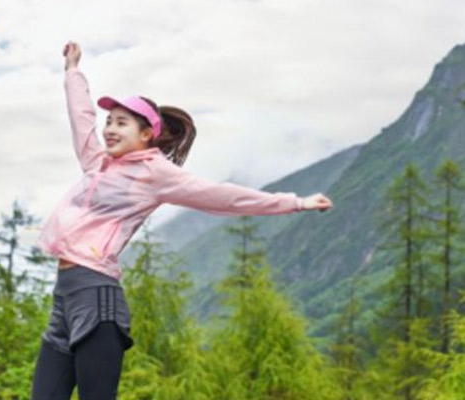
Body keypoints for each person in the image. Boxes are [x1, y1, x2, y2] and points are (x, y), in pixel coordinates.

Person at [30, 41, 334, 400]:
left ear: (146, 135)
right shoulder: (97, 162)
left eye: (121, 123)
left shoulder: (155, 175)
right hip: (65, 296)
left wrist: (296, 202)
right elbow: (81, 119)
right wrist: (72, 72)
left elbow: (223, 196)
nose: (109, 129)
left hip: (97, 297)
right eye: (109, 122)